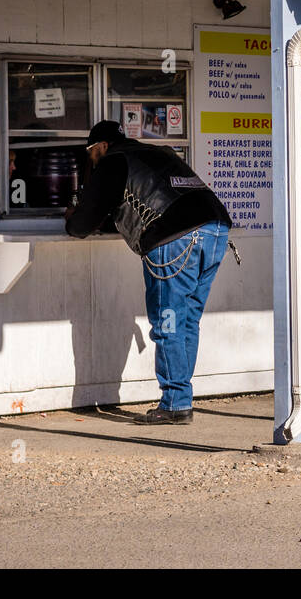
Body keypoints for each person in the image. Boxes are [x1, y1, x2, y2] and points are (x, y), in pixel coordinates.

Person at [65, 120, 233, 425]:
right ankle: (180, 397)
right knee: (186, 320)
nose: (91, 160)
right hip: (217, 229)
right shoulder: (159, 154)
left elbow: (82, 225)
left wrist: (71, 217)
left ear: (100, 147)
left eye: (91, 153)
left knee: (168, 320)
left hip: (176, 237)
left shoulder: (113, 161)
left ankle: (175, 404)